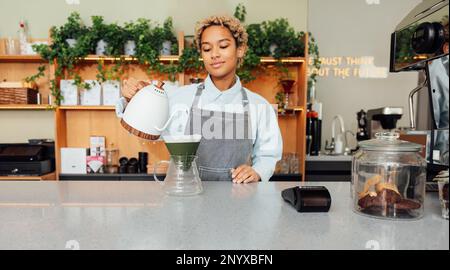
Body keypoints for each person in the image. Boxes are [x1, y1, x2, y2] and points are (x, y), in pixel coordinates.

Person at [116, 15, 283, 183]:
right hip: (185, 200)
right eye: (207, 49)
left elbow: (268, 155)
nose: (214, 54)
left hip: (238, 202)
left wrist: (257, 172)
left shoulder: (260, 106)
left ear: (240, 49)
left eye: (223, 46)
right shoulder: (179, 98)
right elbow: (146, 128)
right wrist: (132, 99)